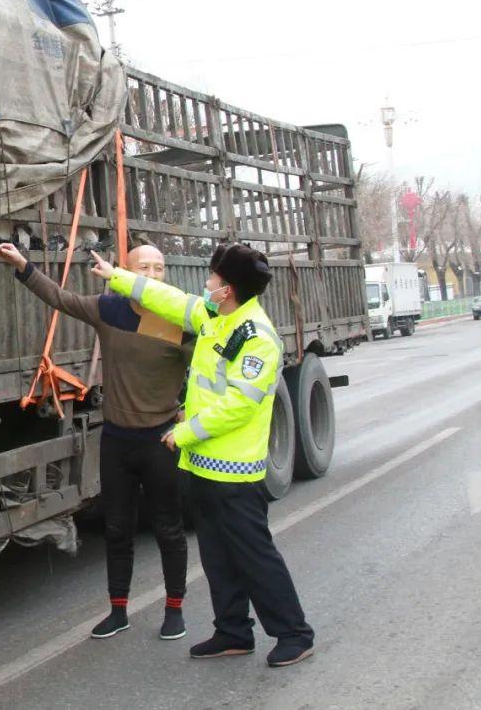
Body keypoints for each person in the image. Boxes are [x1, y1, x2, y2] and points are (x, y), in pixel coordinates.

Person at [90, 242, 315, 668]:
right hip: (205, 468)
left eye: (211, 277)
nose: (205, 283)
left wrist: (184, 432)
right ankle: (233, 631)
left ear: (226, 289)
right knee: (216, 556)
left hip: (235, 473)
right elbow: (168, 299)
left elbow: (239, 404)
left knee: (254, 557)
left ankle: (294, 633)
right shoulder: (216, 316)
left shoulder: (256, 338)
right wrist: (116, 276)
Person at [0, 241, 192, 641]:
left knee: (168, 528)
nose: (152, 275)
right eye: (144, 267)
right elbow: (60, 298)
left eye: (159, 268)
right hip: (118, 440)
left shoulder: (182, 320)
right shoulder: (109, 310)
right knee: (117, 530)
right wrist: (22, 265)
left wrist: (189, 412)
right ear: (126, 272)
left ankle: (175, 610)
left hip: (161, 440)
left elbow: (208, 369)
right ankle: (118, 611)